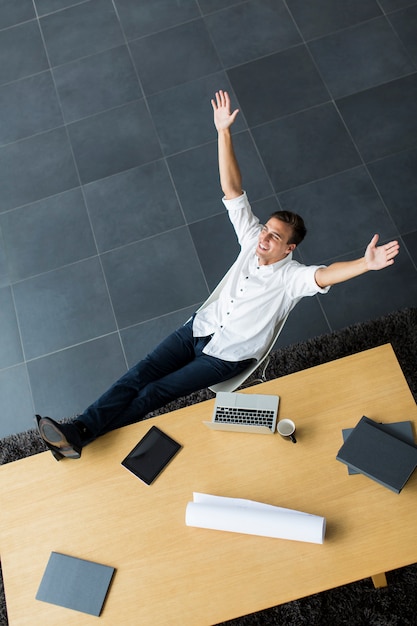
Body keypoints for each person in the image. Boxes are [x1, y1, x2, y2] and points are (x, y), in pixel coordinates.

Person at [36, 90, 400, 460]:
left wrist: (364, 264)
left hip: (227, 355)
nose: (265, 237)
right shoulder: (250, 241)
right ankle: (78, 431)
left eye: (275, 236)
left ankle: (82, 435)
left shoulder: (291, 279)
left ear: (289, 248)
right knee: (136, 376)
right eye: (265, 229)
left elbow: (325, 275)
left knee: (153, 393)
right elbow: (233, 190)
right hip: (198, 328)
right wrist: (223, 132)